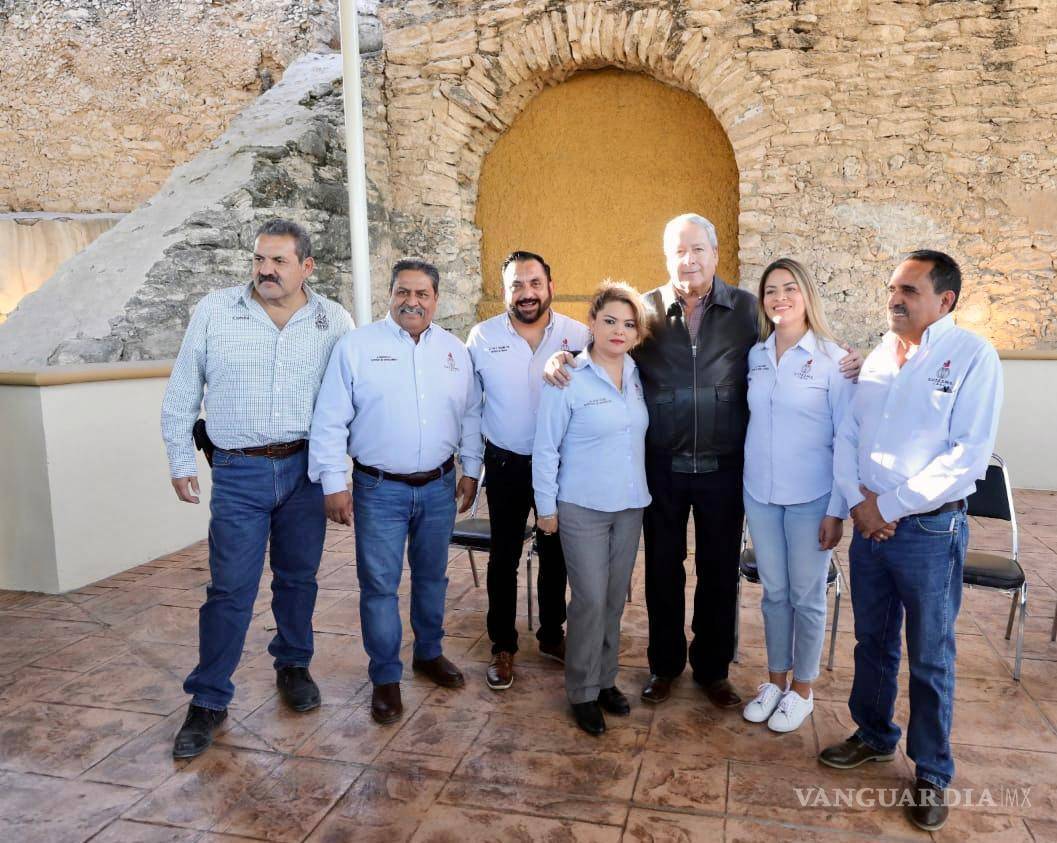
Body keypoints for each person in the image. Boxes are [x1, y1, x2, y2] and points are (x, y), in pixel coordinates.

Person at [545, 214, 861, 708]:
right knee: (663, 571)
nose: (687, 260)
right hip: (661, 468)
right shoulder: (645, 310)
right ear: (666, 256)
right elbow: (606, 343)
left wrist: (849, 357)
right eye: (678, 251)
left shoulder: (748, 310)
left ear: (715, 254)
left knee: (718, 573)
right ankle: (665, 666)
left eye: (697, 250)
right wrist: (562, 357)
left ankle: (713, 670)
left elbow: (795, 336)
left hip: (725, 468)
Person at [820, 250, 1003, 833]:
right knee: (872, 642)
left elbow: (966, 457)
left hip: (927, 530)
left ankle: (932, 771)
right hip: (871, 528)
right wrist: (856, 503)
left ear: (944, 300)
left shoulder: (972, 357)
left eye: (909, 291)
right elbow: (849, 431)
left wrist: (885, 508)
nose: (894, 299)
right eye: (892, 288)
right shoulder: (878, 353)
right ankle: (874, 734)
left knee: (929, 655)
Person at [161, 218, 353, 759]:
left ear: (306, 267)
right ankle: (208, 698)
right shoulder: (216, 311)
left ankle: (293, 665)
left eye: (279, 261)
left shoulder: (332, 320)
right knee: (230, 589)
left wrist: (340, 474)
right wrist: (181, 461)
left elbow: (347, 403)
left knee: (298, 579)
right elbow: (181, 392)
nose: (266, 270)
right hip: (238, 471)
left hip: (304, 471)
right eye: (259, 260)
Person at [308, 259, 482, 725]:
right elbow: (329, 419)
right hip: (378, 489)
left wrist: (471, 470)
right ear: (390, 295)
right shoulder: (356, 347)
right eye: (403, 292)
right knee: (380, 586)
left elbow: (470, 414)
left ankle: (428, 653)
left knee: (432, 578)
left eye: (422, 294)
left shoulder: (454, 351)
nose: (412, 302)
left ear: (436, 300)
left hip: (440, 486)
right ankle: (386, 676)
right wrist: (333, 482)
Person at [466, 251, 590, 691]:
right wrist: (468, 466)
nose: (526, 293)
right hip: (506, 462)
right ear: (505, 292)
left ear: (551, 286)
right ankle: (503, 645)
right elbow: (469, 408)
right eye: (516, 285)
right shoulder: (481, 337)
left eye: (534, 283)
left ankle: (552, 635)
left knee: (556, 552)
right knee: (504, 556)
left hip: (561, 465)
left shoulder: (580, 335)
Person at [740, 258, 853, 733]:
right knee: (774, 593)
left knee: (807, 596)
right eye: (771, 291)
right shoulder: (756, 356)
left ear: (807, 295)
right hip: (761, 495)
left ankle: (803, 689)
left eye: (789, 289)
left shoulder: (833, 359)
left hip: (811, 498)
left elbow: (847, 438)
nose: (779, 298)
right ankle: (774, 681)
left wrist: (838, 509)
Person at [532, 281, 651, 735]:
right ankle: (581, 691)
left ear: (638, 333)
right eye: (609, 321)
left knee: (613, 601)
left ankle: (605, 680)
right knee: (589, 599)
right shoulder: (568, 378)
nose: (619, 331)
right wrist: (546, 508)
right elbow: (546, 448)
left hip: (630, 505)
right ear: (591, 324)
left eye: (628, 324)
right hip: (581, 505)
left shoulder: (639, 375)